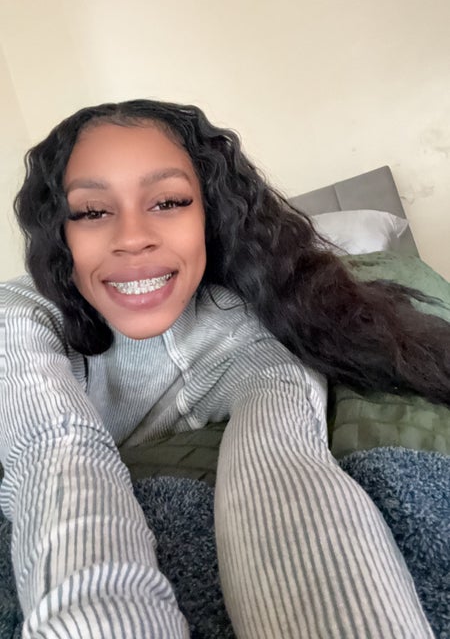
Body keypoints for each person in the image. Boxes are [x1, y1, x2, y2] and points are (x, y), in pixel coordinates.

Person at [1, 99, 448, 638]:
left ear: (210, 214)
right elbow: (54, 454)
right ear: (61, 232)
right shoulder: (19, 316)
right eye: (92, 212)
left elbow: (283, 456)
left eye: (168, 202)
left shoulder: (254, 325)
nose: (131, 237)